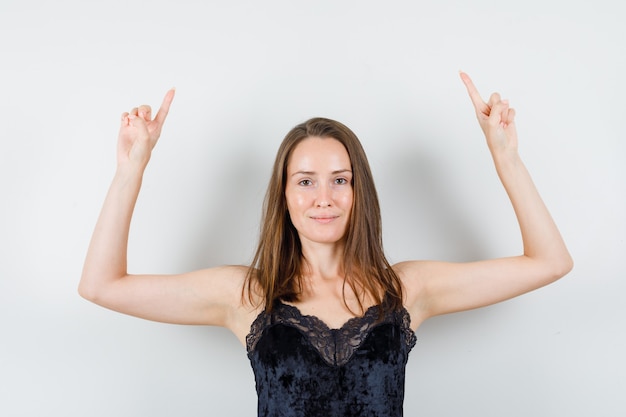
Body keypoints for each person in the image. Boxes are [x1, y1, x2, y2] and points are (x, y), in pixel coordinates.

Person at [79, 72, 573, 417]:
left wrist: (506, 158)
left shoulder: (407, 288)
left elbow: (549, 262)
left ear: (359, 193)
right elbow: (102, 286)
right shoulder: (247, 295)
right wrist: (130, 170)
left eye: (340, 180)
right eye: (306, 181)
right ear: (285, 196)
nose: (324, 199)